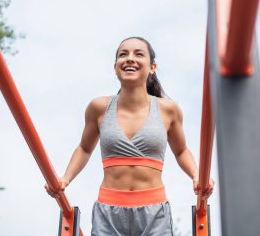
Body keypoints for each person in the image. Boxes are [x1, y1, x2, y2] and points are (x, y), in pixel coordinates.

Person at [45, 36, 214, 235]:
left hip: (154, 211)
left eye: (138, 54)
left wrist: (197, 175)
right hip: (109, 212)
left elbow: (181, 150)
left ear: (152, 67)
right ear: (115, 66)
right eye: (123, 55)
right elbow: (84, 148)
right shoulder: (98, 108)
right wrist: (65, 179)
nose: (129, 58)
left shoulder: (168, 110)